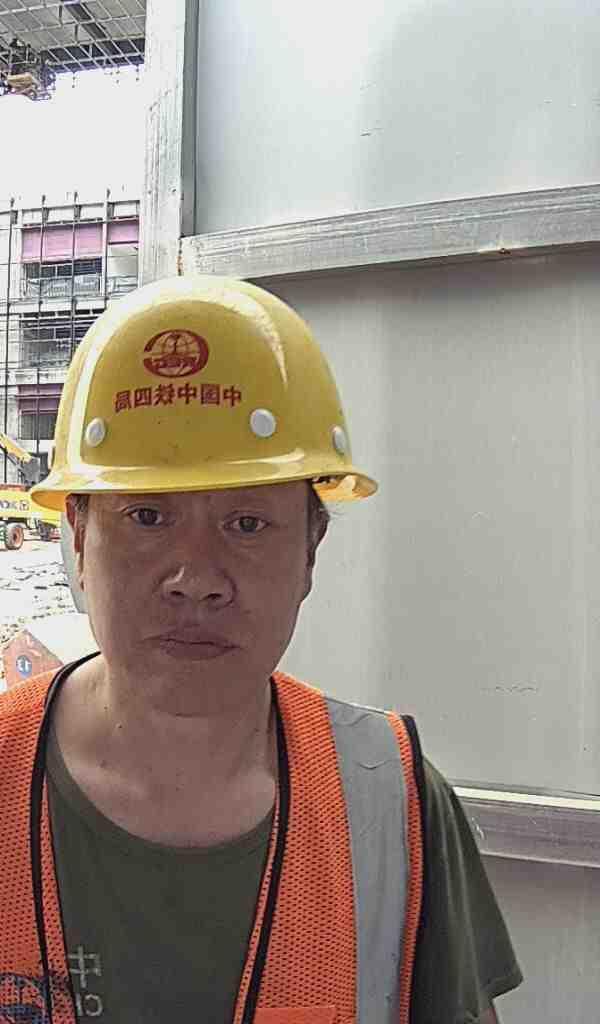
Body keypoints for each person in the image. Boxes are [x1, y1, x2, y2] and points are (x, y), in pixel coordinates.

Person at [0, 276, 522, 1023]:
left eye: (246, 524)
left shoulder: (389, 801)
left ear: (311, 548)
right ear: (78, 538)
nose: (195, 579)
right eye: (147, 517)